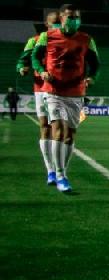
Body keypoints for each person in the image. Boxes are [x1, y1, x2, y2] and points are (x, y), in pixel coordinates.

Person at [31, 5, 98, 193]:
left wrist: (92, 77)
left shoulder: (87, 40)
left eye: (77, 17)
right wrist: (42, 71)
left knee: (70, 135)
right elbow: (35, 57)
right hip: (53, 91)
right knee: (58, 130)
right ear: (61, 18)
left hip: (76, 93)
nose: (74, 20)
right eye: (70, 17)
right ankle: (59, 175)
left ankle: (61, 172)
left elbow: (96, 65)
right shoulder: (47, 36)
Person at [18, 11, 60, 182]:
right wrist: (22, 68)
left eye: (59, 22)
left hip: (60, 90)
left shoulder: (66, 41)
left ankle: (59, 169)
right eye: (54, 22)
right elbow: (22, 60)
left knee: (59, 129)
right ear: (46, 24)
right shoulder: (34, 40)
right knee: (44, 127)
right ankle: (50, 170)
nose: (58, 25)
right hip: (41, 88)